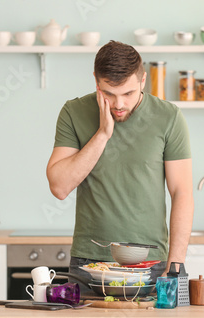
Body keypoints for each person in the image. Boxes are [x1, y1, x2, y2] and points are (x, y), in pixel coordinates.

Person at [46, 40, 194, 291]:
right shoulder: (73, 112)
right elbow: (59, 187)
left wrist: (176, 262)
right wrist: (102, 135)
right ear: (96, 81)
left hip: (151, 264)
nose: (119, 104)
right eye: (109, 94)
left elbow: (182, 192)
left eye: (128, 93)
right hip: (88, 263)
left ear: (142, 81)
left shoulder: (169, 117)